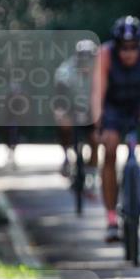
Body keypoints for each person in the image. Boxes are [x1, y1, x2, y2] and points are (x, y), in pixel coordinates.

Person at [91, 16, 140, 243]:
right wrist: (98, 124)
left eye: (134, 47)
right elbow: (98, 93)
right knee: (111, 148)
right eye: (123, 48)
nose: (129, 53)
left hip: (139, 103)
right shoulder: (105, 54)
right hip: (113, 106)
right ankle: (111, 219)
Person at [54, 39, 100, 191]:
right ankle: (67, 155)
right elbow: (60, 90)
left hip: (92, 108)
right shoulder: (67, 69)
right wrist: (60, 110)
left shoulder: (101, 69)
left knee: (95, 138)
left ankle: (92, 171)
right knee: (64, 125)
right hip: (71, 106)